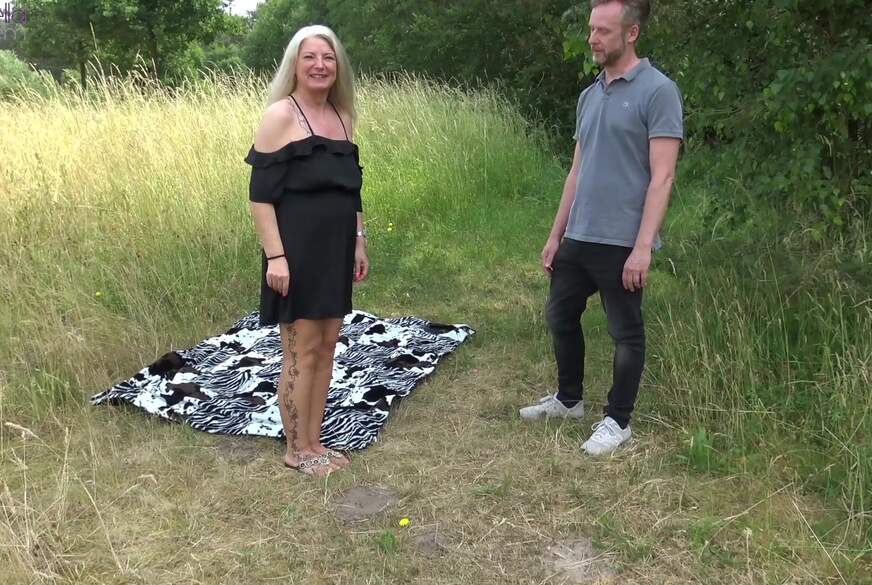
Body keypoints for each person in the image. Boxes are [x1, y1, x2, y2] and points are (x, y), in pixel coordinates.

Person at [519, 0, 683, 455]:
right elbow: (576, 171)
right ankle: (569, 400)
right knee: (559, 315)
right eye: (591, 29)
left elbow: (663, 176)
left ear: (631, 33)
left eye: (603, 31)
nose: (592, 38)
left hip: (622, 240)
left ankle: (618, 421)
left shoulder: (658, 91)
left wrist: (643, 247)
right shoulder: (589, 95)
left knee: (625, 333)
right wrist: (556, 235)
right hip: (580, 233)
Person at [245, 25, 369, 476]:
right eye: (310, 57)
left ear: (338, 67)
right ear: (294, 65)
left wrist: (359, 240)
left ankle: (315, 441)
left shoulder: (342, 116)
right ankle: (296, 450)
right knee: (301, 350)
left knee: (327, 347)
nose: (320, 65)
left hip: (336, 249)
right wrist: (276, 257)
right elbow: (260, 197)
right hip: (295, 252)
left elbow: (352, 189)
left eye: (328, 57)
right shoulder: (280, 115)